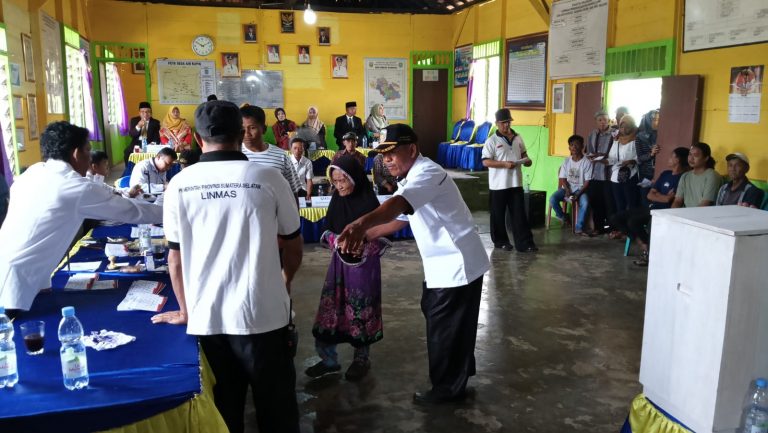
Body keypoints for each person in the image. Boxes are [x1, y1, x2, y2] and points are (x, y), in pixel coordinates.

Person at [151, 100, 302, 433]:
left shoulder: (179, 184)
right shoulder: (268, 177)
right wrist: (283, 281)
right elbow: (293, 244)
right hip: (265, 316)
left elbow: (175, 259)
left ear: (197, 139)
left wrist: (186, 310)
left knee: (223, 413)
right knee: (277, 411)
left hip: (208, 319)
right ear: (240, 134)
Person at [335, 124, 490, 404]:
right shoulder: (410, 178)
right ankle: (458, 375)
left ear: (412, 150)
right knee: (448, 321)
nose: (386, 160)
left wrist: (360, 224)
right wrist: (366, 236)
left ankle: (446, 390)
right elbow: (401, 219)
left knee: (444, 328)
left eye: (392, 153)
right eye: (383, 155)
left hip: (457, 264)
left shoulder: (427, 173)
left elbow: (398, 205)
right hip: (445, 265)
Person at [0, 122, 163, 312]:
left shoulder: (33, 172)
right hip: (15, 286)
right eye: (88, 150)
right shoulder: (74, 186)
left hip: (20, 270)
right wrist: (172, 211)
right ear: (77, 153)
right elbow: (131, 211)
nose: (90, 157)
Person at [307, 155, 389, 382]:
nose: (339, 186)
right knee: (330, 308)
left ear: (354, 178)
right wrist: (337, 240)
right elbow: (326, 230)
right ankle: (328, 360)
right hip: (338, 267)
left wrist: (362, 243)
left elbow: (383, 235)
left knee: (361, 310)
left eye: (343, 180)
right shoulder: (337, 200)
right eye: (335, 181)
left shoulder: (370, 205)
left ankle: (361, 359)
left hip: (363, 269)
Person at [611, 147, 690, 266]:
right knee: (616, 217)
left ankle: (648, 250)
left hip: (662, 212)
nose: (668, 159)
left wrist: (659, 195)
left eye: (671, 156)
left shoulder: (682, 178)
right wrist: (665, 197)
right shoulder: (665, 174)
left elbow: (668, 199)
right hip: (651, 208)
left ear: (678, 160)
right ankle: (643, 244)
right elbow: (650, 195)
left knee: (633, 221)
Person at [481, 108, 537, 252]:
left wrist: (527, 161)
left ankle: (525, 244)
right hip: (498, 185)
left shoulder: (518, 137)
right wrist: (504, 164)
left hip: (515, 183)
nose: (506, 125)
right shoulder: (492, 141)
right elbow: (486, 161)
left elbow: (524, 154)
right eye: (503, 123)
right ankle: (501, 242)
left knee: (519, 214)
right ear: (497, 123)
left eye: (508, 122)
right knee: (498, 215)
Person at [240, 105, 303, 195]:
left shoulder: (281, 156)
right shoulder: (234, 156)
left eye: (252, 128)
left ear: (264, 129)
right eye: (242, 128)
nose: (247, 134)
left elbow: (293, 192)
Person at [549, 135, 593, 236]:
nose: (574, 147)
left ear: (582, 146)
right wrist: (567, 190)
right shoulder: (566, 161)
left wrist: (578, 194)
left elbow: (587, 182)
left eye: (577, 144)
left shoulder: (587, 162)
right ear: (569, 147)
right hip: (567, 189)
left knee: (585, 202)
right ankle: (564, 217)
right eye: (572, 145)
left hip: (581, 189)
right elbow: (563, 178)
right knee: (552, 199)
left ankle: (579, 228)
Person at [607, 114, 641, 240]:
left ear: (632, 126)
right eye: (621, 126)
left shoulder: (636, 140)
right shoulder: (616, 141)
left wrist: (632, 161)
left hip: (630, 176)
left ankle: (632, 231)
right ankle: (623, 230)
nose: (624, 129)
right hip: (616, 177)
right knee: (619, 205)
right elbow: (611, 158)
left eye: (627, 126)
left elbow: (641, 157)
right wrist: (602, 161)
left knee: (631, 204)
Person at [586, 110, 615, 234]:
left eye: (605, 120)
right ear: (596, 122)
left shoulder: (614, 134)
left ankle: (612, 229)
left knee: (609, 203)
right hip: (594, 174)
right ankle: (598, 228)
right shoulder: (592, 134)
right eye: (600, 120)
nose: (603, 122)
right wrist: (592, 156)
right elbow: (589, 151)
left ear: (609, 121)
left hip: (609, 174)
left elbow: (615, 154)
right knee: (596, 202)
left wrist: (602, 156)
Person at [672, 142, 722, 208]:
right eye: (690, 154)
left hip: (702, 213)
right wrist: (672, 213)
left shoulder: (712, 176)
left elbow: (706, 203)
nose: (691, 158)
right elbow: (677, 201)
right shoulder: (685, 176)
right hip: (685, 213)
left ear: (706, 158)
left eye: (695, 155)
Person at [635, 109, 660, 207]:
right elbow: (640, 158)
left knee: (656, 200)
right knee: (645, 199)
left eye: (658, 119)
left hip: (658, 172)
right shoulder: (640, 137)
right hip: (645, 173)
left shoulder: (661, 135)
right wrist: (651, 154)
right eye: (654, 119)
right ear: (648, 120)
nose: (656, 122)